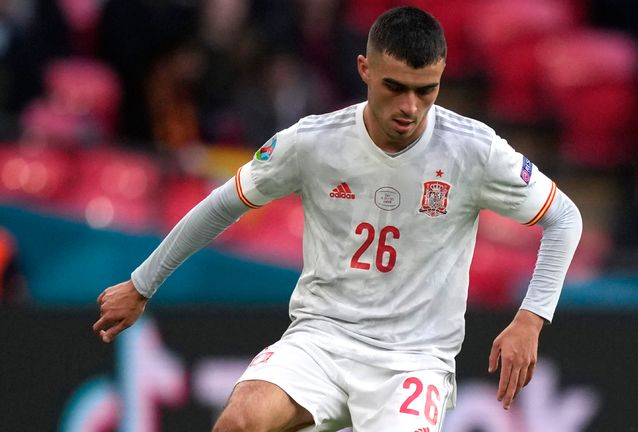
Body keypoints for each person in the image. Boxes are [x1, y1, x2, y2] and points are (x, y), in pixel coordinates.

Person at [92, 6, 582, 431]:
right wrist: (142, 285)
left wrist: (530, 319)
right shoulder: (313, 143)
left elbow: (564, 217)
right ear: (364, 69)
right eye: (395, 87)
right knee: (240, 422)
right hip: (322, 339)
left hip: (413, 360)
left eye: (425, 89)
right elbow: (224, 204)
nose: (410, 107)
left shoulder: (473, 150)